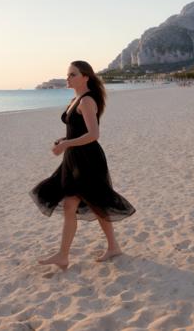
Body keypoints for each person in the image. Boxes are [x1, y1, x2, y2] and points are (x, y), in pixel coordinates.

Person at [29, 60, 136, 270]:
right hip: (74, 158)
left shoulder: (87, 101)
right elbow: (78, 131)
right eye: (68, 75)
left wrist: (67, 143)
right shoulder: (75, 99)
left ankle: (66, 254)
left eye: (72, 75)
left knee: (89, 203)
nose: (68, 78)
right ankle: (103, 248)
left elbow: (94, 135)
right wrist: (64, 140)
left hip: (87, 159)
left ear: (85, 77)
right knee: (83, 204)